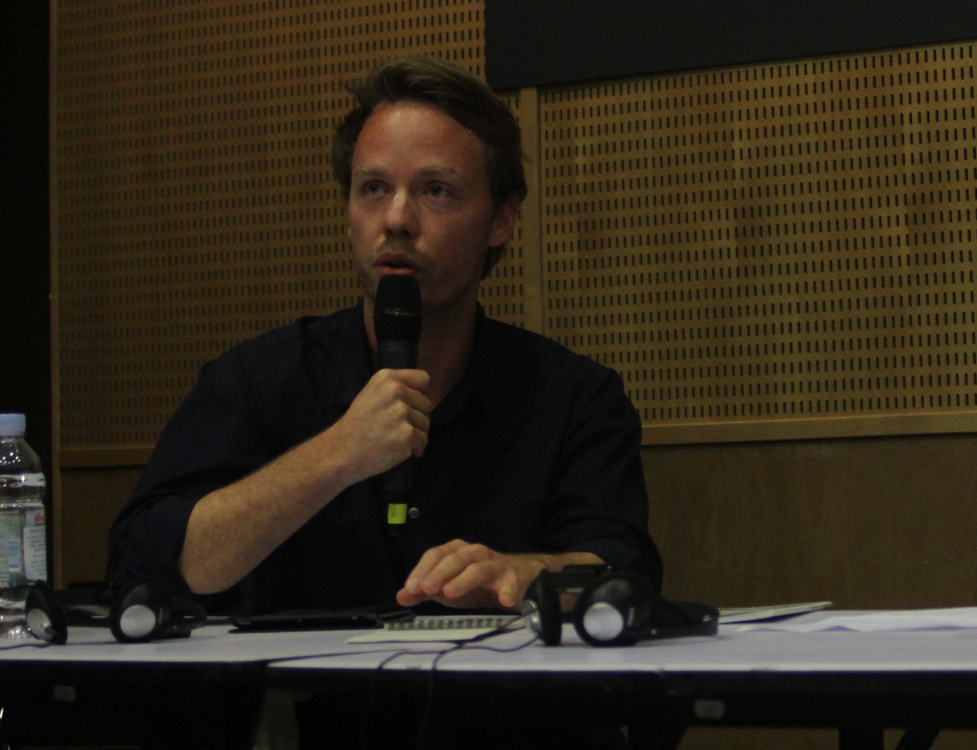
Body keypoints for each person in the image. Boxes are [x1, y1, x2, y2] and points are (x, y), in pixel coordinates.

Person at [108, 56, 661, 614]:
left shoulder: (573, 398)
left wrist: (528, 573)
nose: (396, 219)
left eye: (436, 190)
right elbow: (141, 566)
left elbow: (623, 571)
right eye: (373, 188)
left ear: (501, 219)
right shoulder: (256, 382)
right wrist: (335, 455)